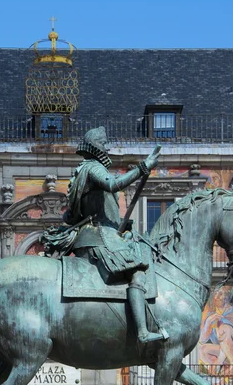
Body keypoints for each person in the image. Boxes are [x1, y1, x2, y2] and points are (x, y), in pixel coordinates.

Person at [61, 126, 165, 343]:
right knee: (137, 271)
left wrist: (120, 223)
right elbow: (114, 184)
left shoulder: (81, 172)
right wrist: (143, 167)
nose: (107, 148)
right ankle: (143, 332)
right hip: (100, 237)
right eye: (105, 144)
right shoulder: (93, 168)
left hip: (92, 235)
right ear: (97, 147)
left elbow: (70, 217)